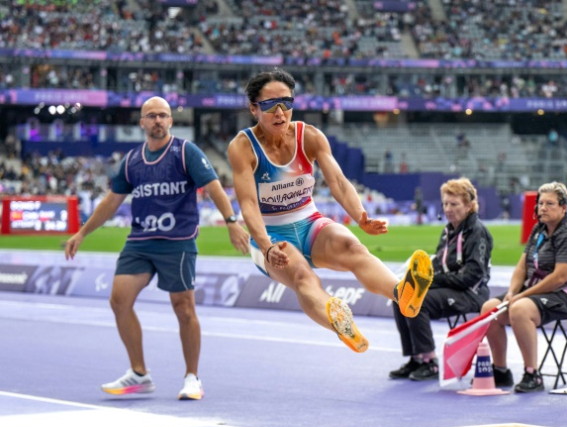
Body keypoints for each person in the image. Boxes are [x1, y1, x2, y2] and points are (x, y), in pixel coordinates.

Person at [227, 69, 433, 353]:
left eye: (286, 103)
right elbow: (248, 204)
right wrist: (265, 246)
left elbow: (337, 181)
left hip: (309, 222)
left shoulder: (308, 135)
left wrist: (361, 216)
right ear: (253, 109)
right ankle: (337, 320)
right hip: (269, 232)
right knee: (302, 276)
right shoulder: (242, 147)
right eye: (269, 105)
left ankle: (402, 294)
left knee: (352, 246)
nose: (279, 112)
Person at [64, 96, 250, 401]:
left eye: (163, 115)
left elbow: (213, 185)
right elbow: (112, 201)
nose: (158, 121)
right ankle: (139, 373)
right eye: (151, 116)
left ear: (171, 121)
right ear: (142, 123)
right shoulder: (133, 161)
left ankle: (192, 377)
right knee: (119, 301)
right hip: (140, 241)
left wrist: (231, 220)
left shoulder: (185, 151)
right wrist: (82, 233)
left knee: (183, 308)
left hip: (177, 241)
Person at [481, 182, 567, 392]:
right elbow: (521, 267)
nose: (543, 208)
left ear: (563, 208)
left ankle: (532, 374)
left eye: (549, 204)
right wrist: (513, 291)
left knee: (520, 309)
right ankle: (501, 370)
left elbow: (559, 278)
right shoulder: (538, 229)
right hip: (534, 291)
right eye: (540, 204)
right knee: (489, 309)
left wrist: (522, 297)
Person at [390, 178, 493, 381]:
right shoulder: (448, 231)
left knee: (418, 300)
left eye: (454, 204)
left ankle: (430, 361)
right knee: (401, 294)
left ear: (469, 205)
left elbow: (471, 275)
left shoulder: (478, 232)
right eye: (445, 203)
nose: (448, 209)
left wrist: (432, 282)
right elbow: (438, 265)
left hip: (471, 293)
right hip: (451, 288)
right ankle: (416, 358)